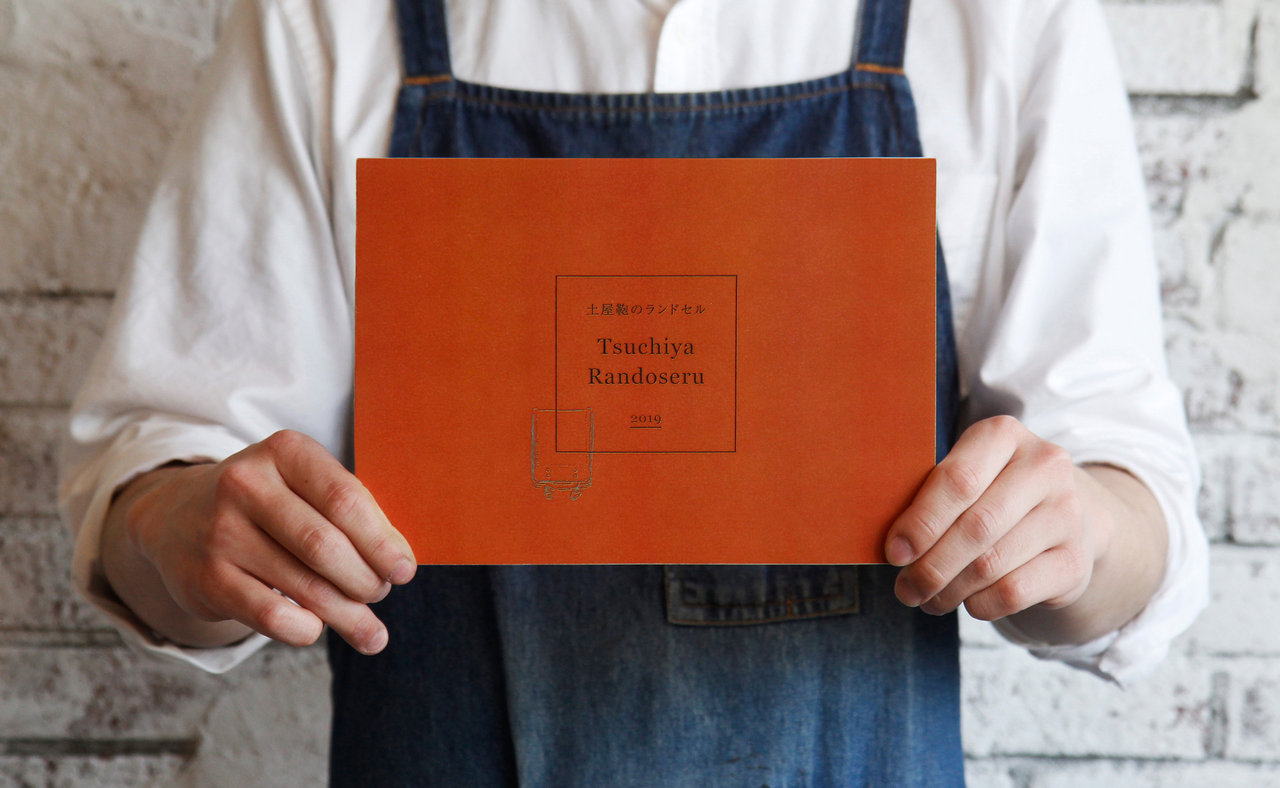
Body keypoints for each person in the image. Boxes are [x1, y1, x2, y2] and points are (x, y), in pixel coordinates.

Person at [61, 0, 1209, 784]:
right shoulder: (330, 18)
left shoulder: (998, 18)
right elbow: (148, 494)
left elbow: (1131, 515)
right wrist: (182, 526)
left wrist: (1073, 532)